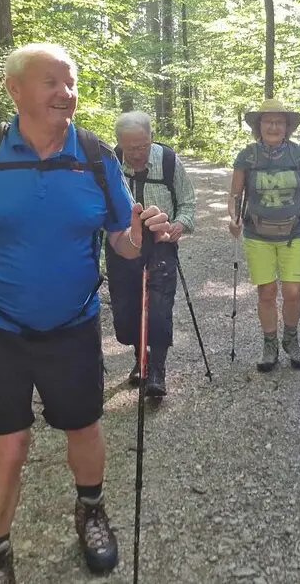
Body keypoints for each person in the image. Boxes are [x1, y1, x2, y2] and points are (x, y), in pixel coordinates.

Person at [0, 43, 172, 584]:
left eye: (69, 82)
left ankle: (91, 510)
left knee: (84, 428)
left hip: (72, 324)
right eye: (50, 82)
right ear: (14, 89)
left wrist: (141, 235)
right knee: (9, 443)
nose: (65, 93)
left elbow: (122, 239)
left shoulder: (95, 156)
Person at [104, 110, 197, 397]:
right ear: (119, 143)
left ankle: (157, 368)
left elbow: (188, 202)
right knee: (128, 310)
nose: (137, 154)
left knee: (158, 308)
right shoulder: (109, 164)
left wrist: (180, 224)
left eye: (143, 146)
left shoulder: (168, 160)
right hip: (121, 246)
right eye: (130, 148)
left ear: (152, 138)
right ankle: (139, 359)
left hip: (161, 246)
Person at [227, 98, 300, 372]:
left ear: (287, 126)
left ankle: (290, 339)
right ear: (259, 126)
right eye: (268, 121)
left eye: (279, 121)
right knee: (266, 292)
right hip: (258, 234)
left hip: (294, 231)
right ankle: (269, 345)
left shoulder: (299, 155)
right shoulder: (247, 155)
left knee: (293, 291)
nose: (273, 126)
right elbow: (235, 193)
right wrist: (233, 217)